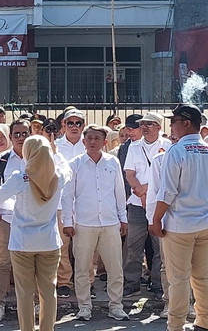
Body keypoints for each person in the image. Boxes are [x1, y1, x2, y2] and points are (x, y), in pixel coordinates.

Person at [0, 136, 70, 331]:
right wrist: (53, 151)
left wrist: (15, 204)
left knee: (24, 293)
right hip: (49, 242)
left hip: (22, 243)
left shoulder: (20, 177)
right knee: (48, 291)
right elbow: (67, 167)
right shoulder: (58, 176)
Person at [61, 125, 130, 321]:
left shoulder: (113, 162)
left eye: (97, 138)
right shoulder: (74, 164)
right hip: (83, 223)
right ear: (83, 141)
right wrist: (68, 221)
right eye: (89, 138)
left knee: (115, 268)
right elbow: (68, 195)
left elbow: (118, 191)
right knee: (82, 268)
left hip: (109, 223)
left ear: (104, 142)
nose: (92, 142)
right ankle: (84, 306)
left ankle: (116, 305)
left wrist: (122, 218)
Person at [151, 104, 208, 331]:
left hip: (180, 225)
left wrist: (156, 220)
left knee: (179, 279)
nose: (171, 125)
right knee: (203, 278)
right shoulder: (207, 149)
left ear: (186, 123)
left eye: (174, 121)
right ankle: (203, 322)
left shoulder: (176, 151)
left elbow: (167, 192)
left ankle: (175, 325)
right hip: (205, 223)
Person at [0, 119, 30, 321]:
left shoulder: (39, 159)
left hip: (32, 221)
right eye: (16, 134)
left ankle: (34, 303)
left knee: (32, 263)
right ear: (11, 137)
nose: (20, 138)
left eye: (24, 134)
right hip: (7, 220)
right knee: (2, 263)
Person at [123, 112, 170, 299]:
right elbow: (129, 174)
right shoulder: (134, 147)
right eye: (143, 124)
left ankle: (158, 283)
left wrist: (147, 191)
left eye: (150, 124)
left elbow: (167, 177)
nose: (145, 127)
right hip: (136, 204)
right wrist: (140, 191)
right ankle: (132, 283)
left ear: (159, 127)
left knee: (159, 247)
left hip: (159, 204)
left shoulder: (168, 147)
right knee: (133, 246)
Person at [54, 108, 87, 298]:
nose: (74, 127)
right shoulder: (55, 146)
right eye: (70, 123)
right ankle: (64, 281)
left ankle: (85, 281)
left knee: (85, 246)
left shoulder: (89, 144)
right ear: (63, 125)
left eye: (78, 123)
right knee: (61, 245)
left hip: (84, 202)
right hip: (59, 203)